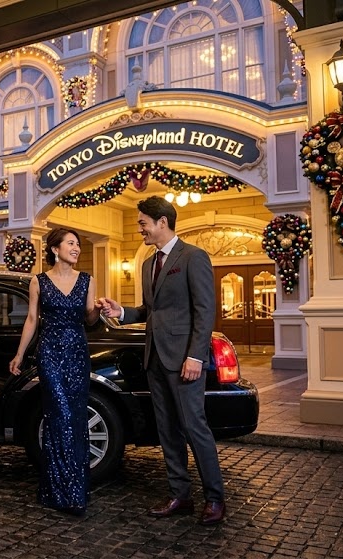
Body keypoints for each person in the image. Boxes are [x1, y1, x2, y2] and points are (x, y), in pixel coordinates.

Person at [98, 195, 225, 526]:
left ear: (161, 223)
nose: (140, 229)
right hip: (155, 359)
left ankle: (215, 498)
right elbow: (149, 310)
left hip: (185, 360)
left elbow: (204, 310)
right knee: (167, 430)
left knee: (195, 428)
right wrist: (121, 312)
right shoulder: (146, 264)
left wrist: (196, 355)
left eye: (142, 223)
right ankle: (180, 496)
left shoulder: (194, 257)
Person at [9, 227, 101, 516]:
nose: (77, 248)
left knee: (75, 419)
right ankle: (58, 491)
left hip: (76, 354)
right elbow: (32, 320)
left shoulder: (87, 280)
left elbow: (89, 319)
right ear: (55, 249)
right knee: (58, 416)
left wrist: (98, 309)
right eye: (71, 244)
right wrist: (20, 354)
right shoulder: (38, 281)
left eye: (78, 245)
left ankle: (76, 491)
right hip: (49, 355)